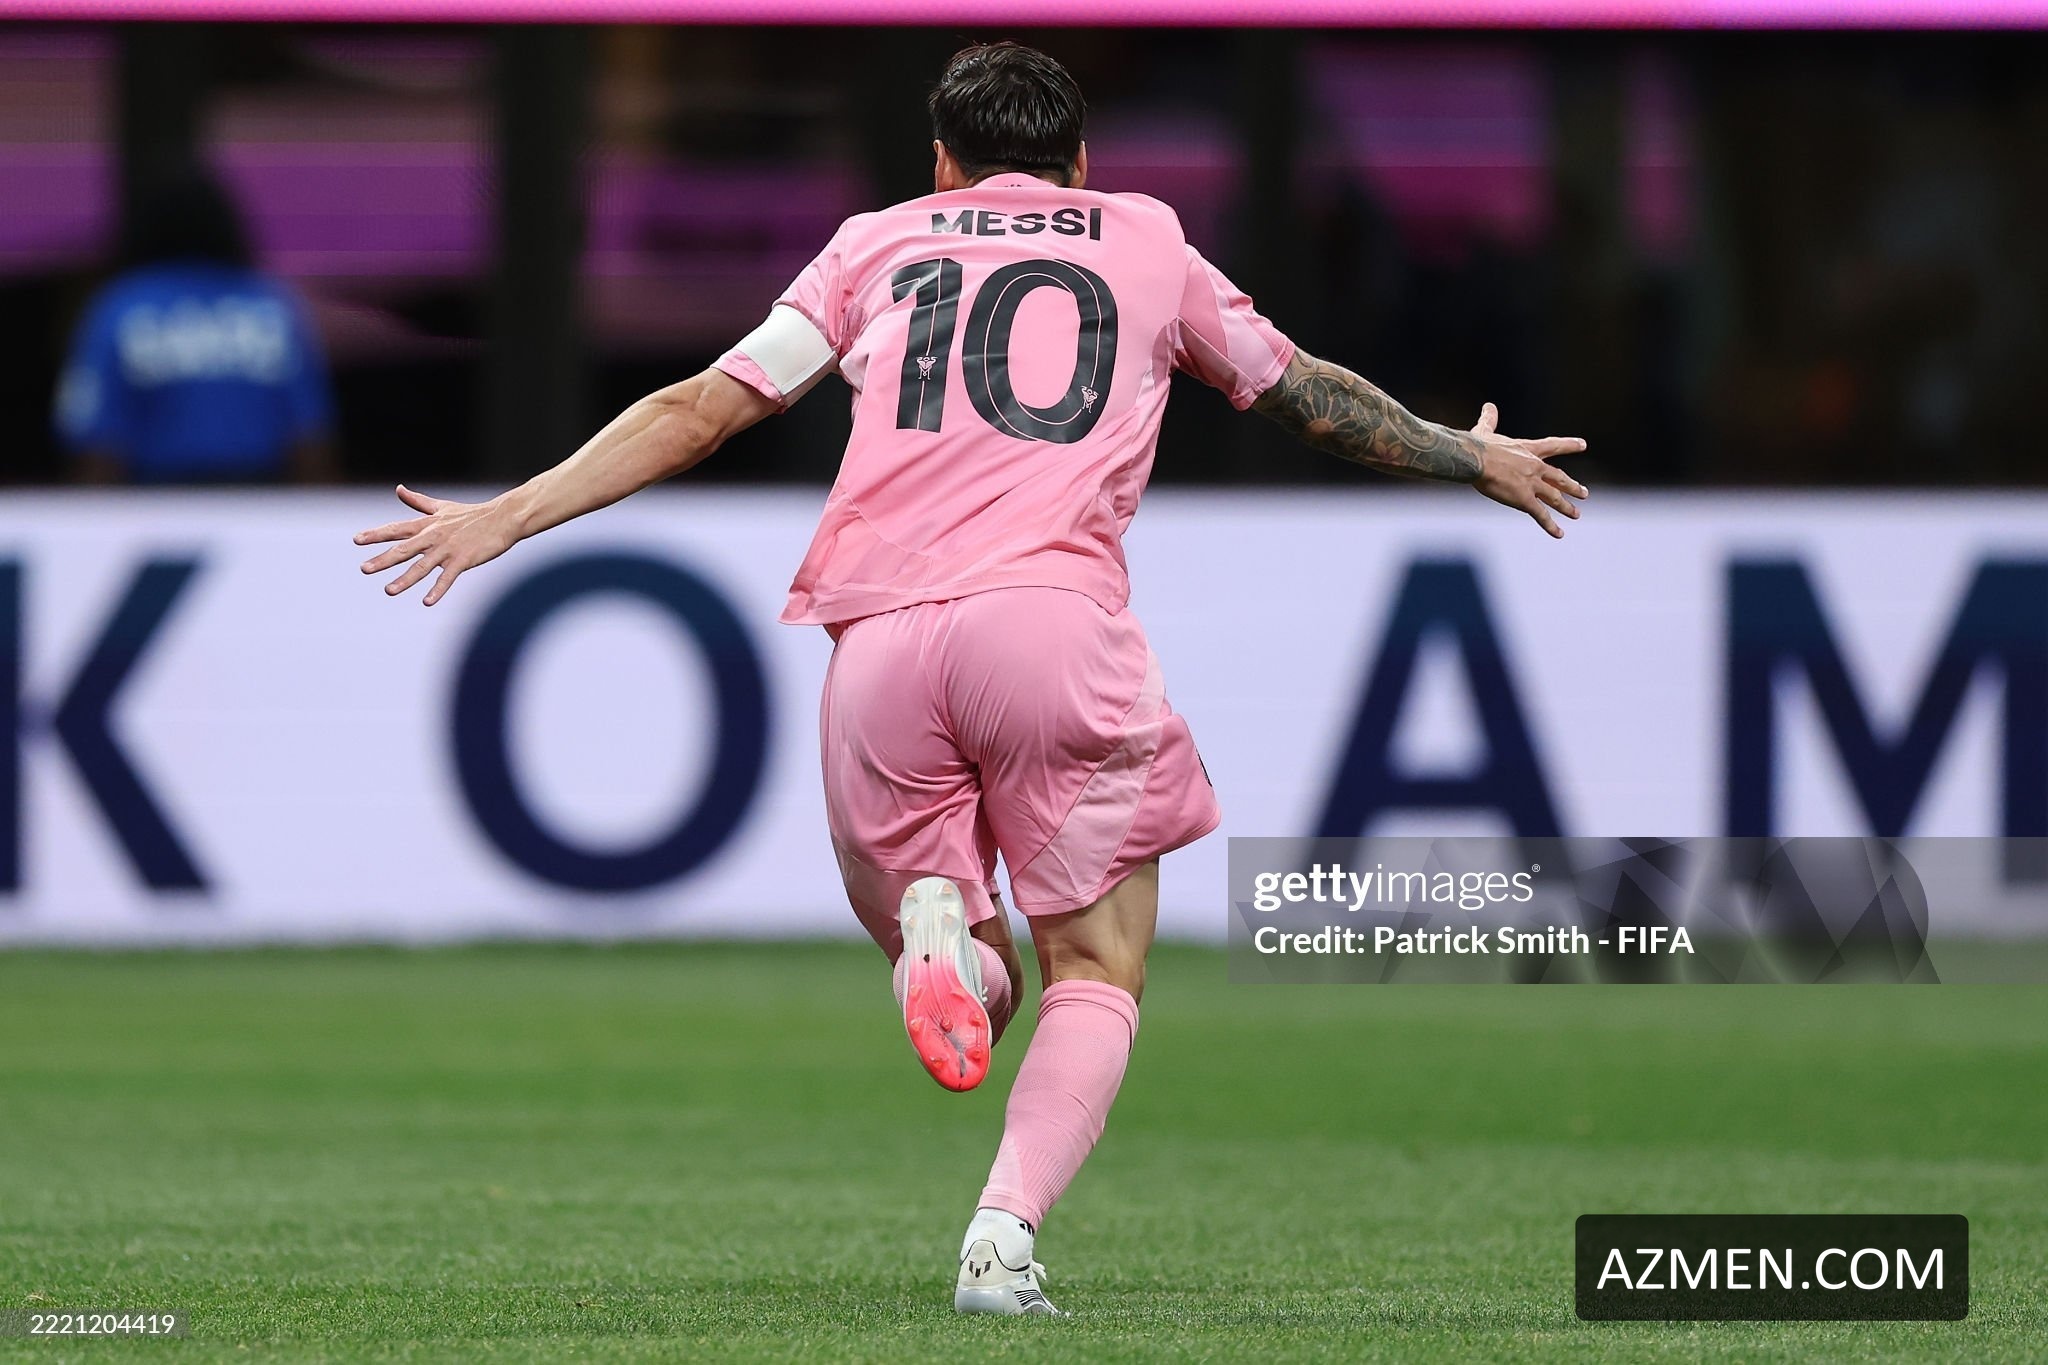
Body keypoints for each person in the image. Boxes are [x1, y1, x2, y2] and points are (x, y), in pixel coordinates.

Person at [353, 41, 1587, 1316]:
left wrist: (507, 514)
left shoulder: (870, 246)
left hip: (878, 646)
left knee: (968, 983)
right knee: (1094, 970)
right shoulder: (1149, 240)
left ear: (941, 163)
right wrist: (1464, 457)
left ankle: (940, 937)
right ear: (1081, 162)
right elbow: (1303, 395)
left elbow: (702, 406)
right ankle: (1000, 1241)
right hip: (1047, 628)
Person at [55, 170, 336, 484]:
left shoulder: (123, 307)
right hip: (254, 499)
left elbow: (97, 439)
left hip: (156, 501)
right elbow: (310, 438)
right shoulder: (271, 307)